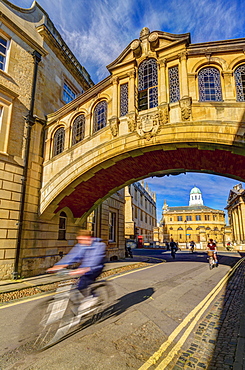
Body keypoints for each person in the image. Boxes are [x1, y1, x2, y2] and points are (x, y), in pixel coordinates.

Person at [47, 229, 106, 312]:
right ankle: (82, 299)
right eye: (79, 240)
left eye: (82, 239)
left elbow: (95, 260)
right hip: (83, 268)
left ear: (88, 238)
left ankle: (93, 297)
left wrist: (84, 270)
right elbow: (71, 256)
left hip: (95, 268)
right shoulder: (80, 245)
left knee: (83, 283)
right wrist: (57, 266)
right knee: (76, 286)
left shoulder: (99, 245)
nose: (80, 242)